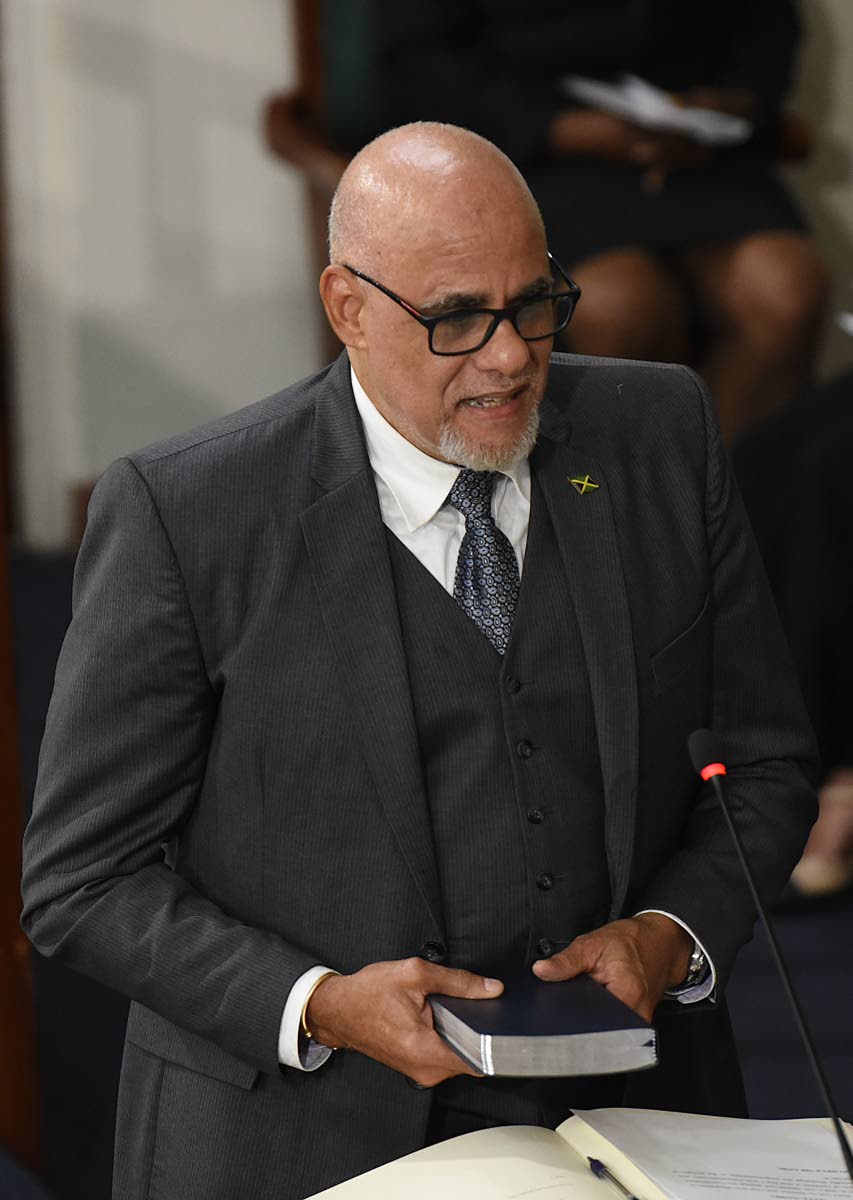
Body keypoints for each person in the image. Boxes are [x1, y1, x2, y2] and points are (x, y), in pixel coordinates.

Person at [21, 123, 817, 1200]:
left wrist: (668, 938)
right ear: (347, 307)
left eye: (534, 303)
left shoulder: (658, 433)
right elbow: (82, 879)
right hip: (301, 1144)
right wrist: (318, 1001)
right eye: (455, 318)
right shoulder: (188, 515)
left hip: (631, 1129)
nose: (508, 355)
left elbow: (762, 765)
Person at [366, 0, 830, 442]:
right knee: (620, 305)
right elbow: (419, 61)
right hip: (535, 152)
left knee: (787, 289)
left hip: (698, 150)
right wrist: (564, 130)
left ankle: (732, 507)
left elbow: (766, 28)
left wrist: (733, 104)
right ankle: (628, 512)